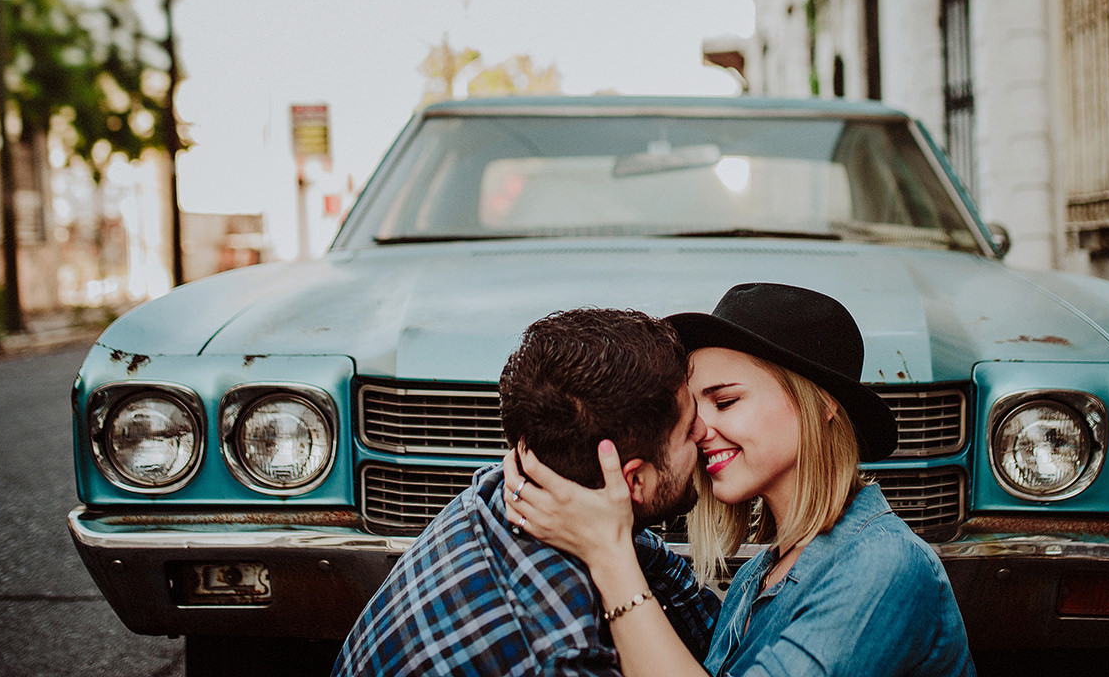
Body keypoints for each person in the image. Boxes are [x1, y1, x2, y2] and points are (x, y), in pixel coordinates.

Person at [507, 283, 976, 677]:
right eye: (692, 407)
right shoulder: (758, 575)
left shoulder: (883, 565)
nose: (697, 429)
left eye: (725, 401)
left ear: (823, 404)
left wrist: (608, 554)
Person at [331, 307, 721, 676]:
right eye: (688, 429)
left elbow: (694, 615)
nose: (704, 431)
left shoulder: (504, 490)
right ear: (632, 481)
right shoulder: (560, 654)